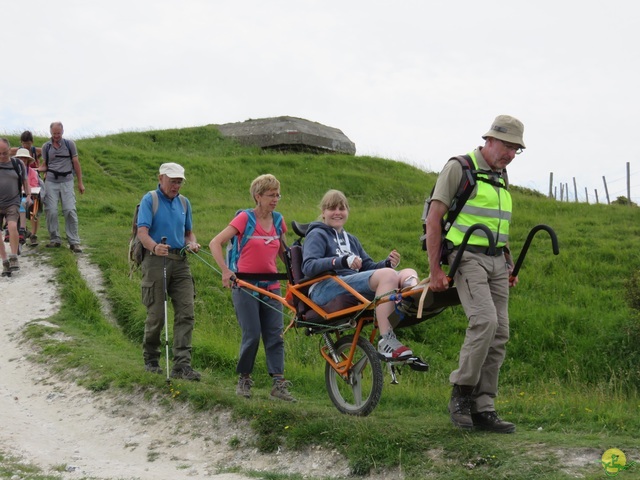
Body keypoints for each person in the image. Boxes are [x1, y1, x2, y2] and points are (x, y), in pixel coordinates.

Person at [424, 115, 525, 434]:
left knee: (500, 333)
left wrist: (507, 262)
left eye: (516, 149)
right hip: (465, 257)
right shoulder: (459, 167)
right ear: (490, 140)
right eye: (507, 146)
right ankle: (461, 394)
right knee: (485, 321)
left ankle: (484, 407)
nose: (510, 154)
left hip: (496, 261)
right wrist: (435, 270)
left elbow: (498, 222)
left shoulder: (500, 175)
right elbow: (434, 219)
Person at [301, 189, 419, 360]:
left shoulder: (351, 239)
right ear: (323, 213)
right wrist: (341, 261)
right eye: (332, 208)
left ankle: (411, 294)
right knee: (388, 275)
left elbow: (367, 266)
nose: (337, 212)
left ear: (347, 212)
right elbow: (309, 266)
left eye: (342, 208)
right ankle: (386, 339)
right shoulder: (317, 234)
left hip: (349, 283)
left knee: (407, 272)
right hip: (324, 287)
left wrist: (387, 263)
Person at [209, 174, 295, 402]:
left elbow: (282, 252)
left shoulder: (278, 221)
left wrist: (294, 275)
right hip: (245, 285)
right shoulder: (244, 219)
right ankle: (244, 379)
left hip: (272, 286)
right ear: (258, 196)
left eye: (278, 195)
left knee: (275, 335)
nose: (275, 199)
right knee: (252, 334)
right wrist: (226, 271)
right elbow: (215, 242)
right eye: (271, 195)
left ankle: (278, 383)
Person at [136, 162, 201, 381]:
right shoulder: (150, 199)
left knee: (186, 311)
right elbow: (142, 232)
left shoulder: (184, 202)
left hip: (181, 261)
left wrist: (192, 243)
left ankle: (182, 365)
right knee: (157, 314)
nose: (176, 185)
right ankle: (151, 359)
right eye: (173, 181)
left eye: (179, 181)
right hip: (155, 260)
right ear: (161, 178)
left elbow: (189, 233)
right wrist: (154, 246)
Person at [41, 122, 85, 252]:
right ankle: (54, 239)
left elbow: (76, 163)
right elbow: (46, 165)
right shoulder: (46, 147)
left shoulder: (69, 144)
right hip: (50, 181)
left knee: (70, 210)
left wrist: (80, 183)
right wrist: (36, 169)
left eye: (58, 133)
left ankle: (74, 241)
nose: (56, 136)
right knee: (51, 210)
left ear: (62, 131)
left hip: (67, 180)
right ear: (51, 132)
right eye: (54, 133)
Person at [0, 139, 32, 275]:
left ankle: (13, 257)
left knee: (12, 226)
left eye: (5, 153)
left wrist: (29, 196)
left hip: (13, 201)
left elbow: (25, 181)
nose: (2, 156)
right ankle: (5, 261)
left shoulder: (17, 164)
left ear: (10, 150)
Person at [14, 148, 42, 246]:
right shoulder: (13, 171)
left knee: (34, 209)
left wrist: (25, 189)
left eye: (24, 158)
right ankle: (20, 229)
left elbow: (34, 185)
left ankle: (33, 235)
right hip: (15, 196)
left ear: (27, 160)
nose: (22, 160)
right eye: (20, 158)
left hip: (30, 196)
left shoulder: (32, 172)